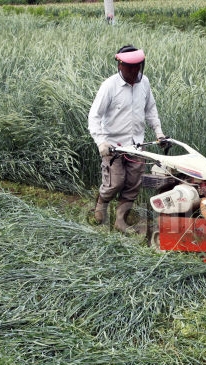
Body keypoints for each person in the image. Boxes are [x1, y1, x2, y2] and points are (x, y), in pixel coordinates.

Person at [88, 44, 166, 232]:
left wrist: (159, 132)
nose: (133, 71)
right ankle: (101, 203)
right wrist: (101, 142)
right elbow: (94, 116)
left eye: (137, 66)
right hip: (113, 146)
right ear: (120, 66)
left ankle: (120, 221)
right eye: (129, 67)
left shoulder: (144, 83)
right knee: (115, 182)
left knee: (132, 184)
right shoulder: (110, 86)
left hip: (136, 145)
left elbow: (150, 110)